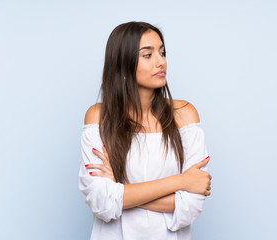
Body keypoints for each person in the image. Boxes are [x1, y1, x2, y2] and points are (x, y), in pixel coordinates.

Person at [79, 21, 212, 240]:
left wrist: (121, 191)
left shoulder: (184, 115)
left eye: (162, 52)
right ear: (123, 63)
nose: (161, 62)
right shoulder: (98, 117)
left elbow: (191, 206)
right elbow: (102, 203)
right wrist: (180, 182)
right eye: (148, 55)